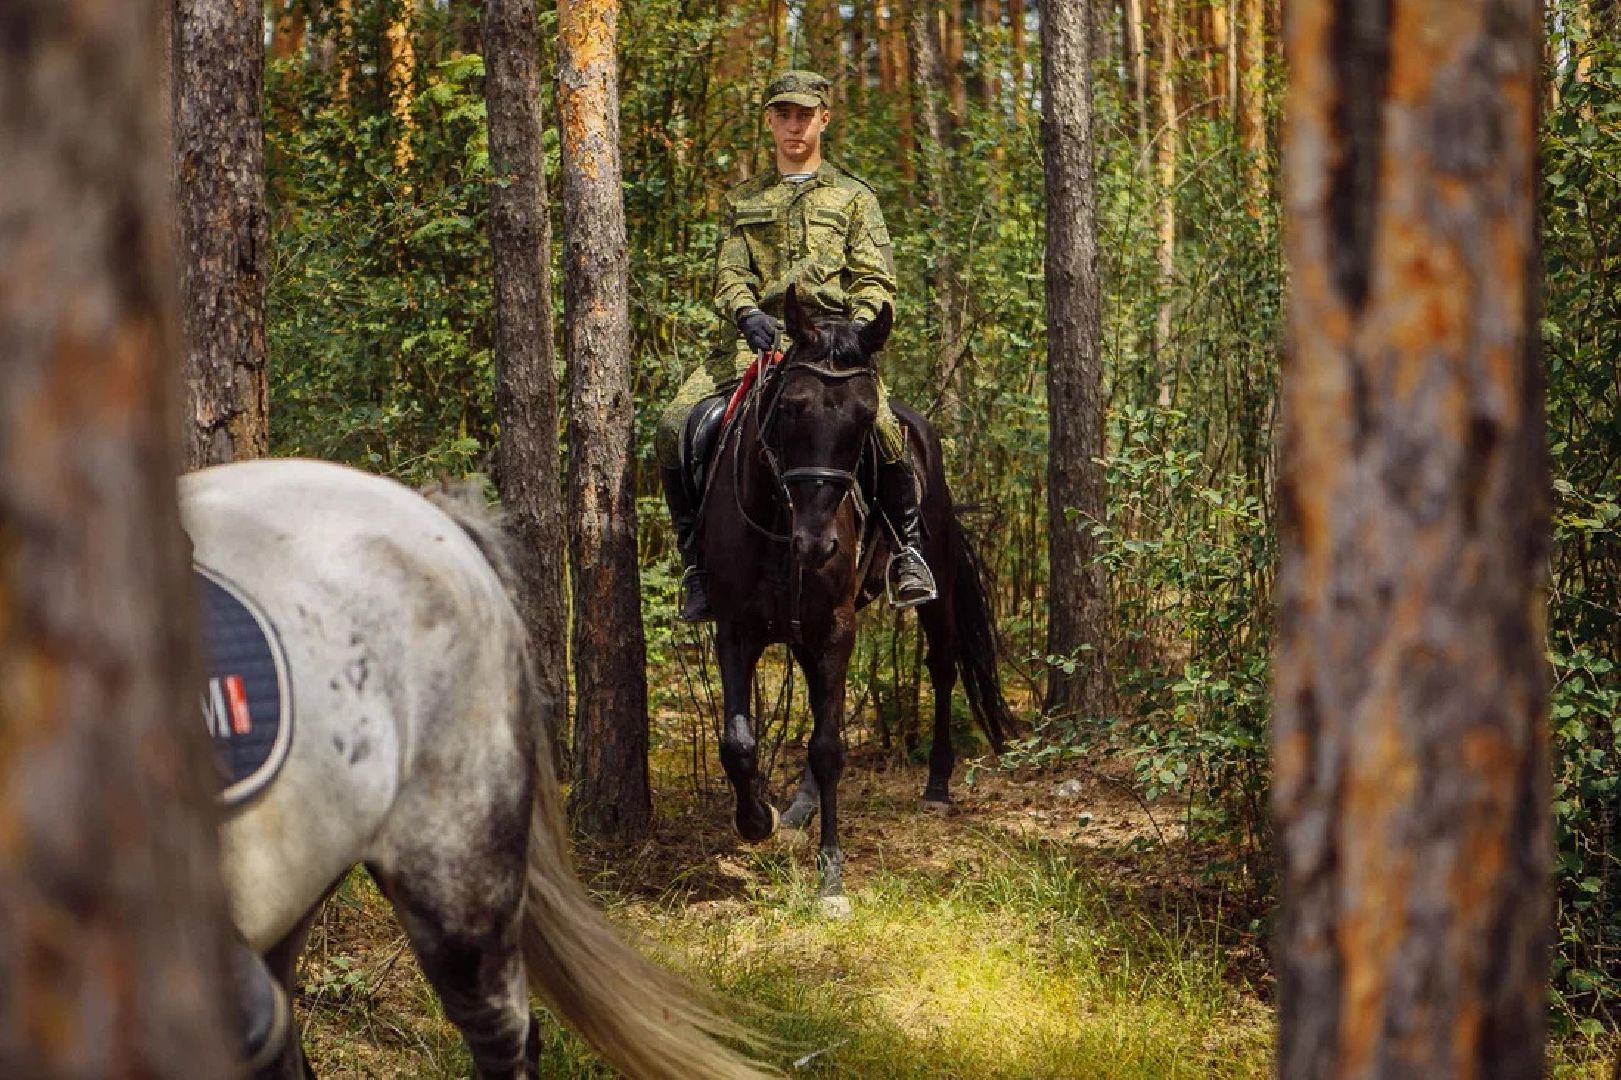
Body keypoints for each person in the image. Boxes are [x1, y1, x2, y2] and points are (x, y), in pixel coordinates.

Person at [656, 69, 936, 622]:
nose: (794, 125)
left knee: (885, 427)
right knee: (673, 425)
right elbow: (729, 273)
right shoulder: (742, 199)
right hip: (756, 344)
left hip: (833, 349)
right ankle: (696, 565)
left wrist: (856, 333)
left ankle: (906, 552)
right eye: (783, 114)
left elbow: (875, 280)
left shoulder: (855, 198)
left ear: (823, 119)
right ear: (769, 121)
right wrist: (746, 312)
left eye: (804, 115)